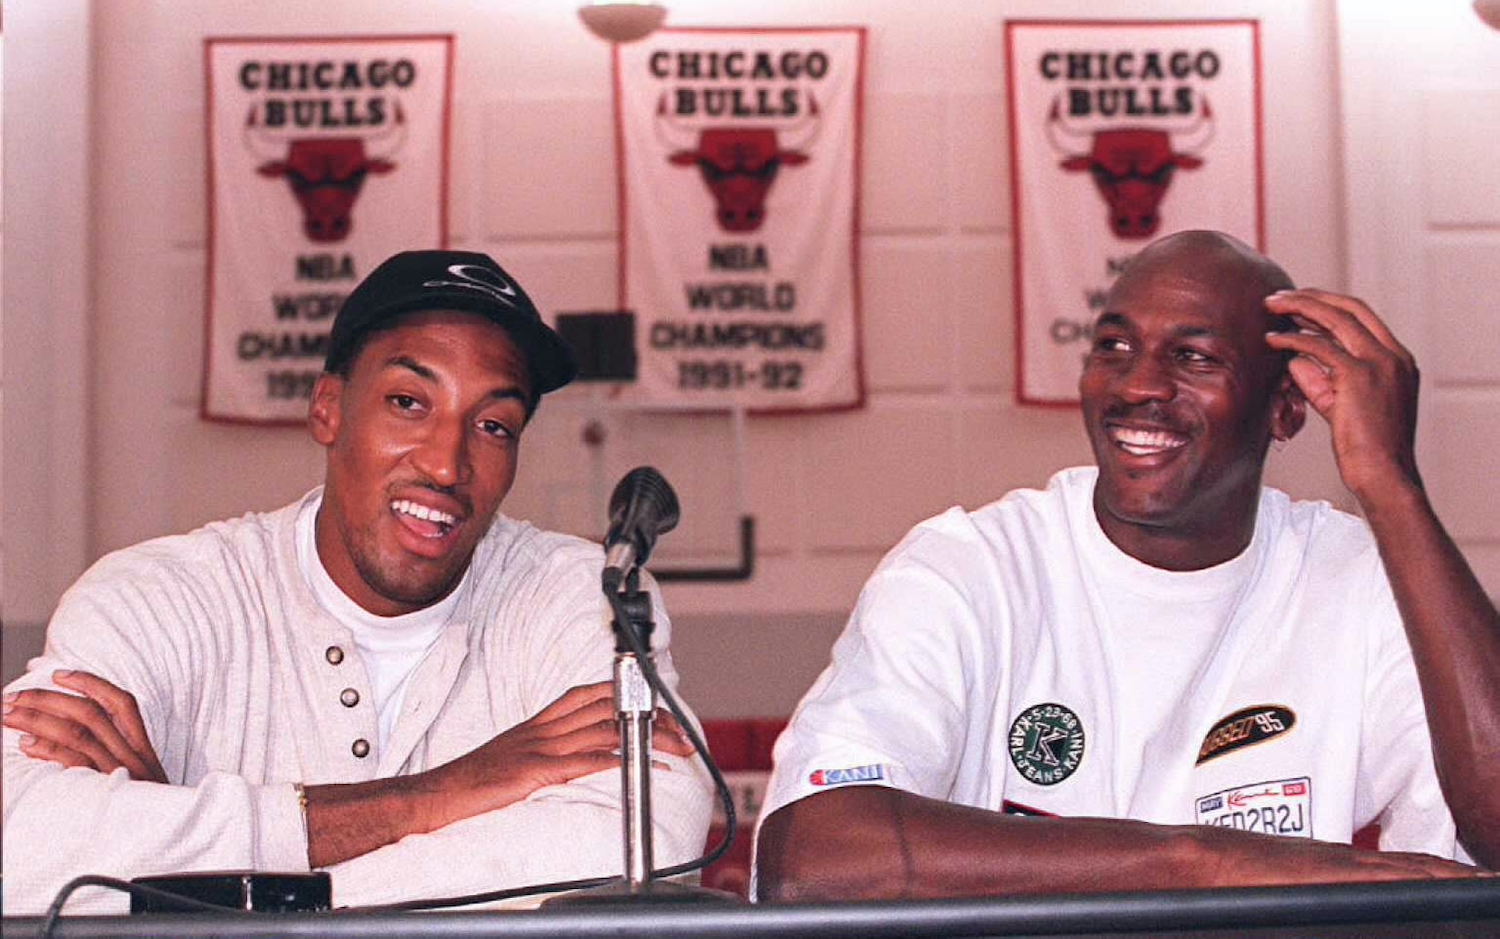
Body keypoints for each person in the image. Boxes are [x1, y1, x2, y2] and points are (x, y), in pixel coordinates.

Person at [754, 230, 1500, 900]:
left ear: (1285, 409)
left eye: (1193, 357)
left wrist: (1392, 486)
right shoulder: (969, 568)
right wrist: (1201, 864)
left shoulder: (1360, 580)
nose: (1138, 385)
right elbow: (811, 857)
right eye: (1113, 346)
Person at [2, 250, 713, 913]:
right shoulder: (159, 597)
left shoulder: (582, 597)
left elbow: (644, 842)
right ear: (329, 409)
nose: (446, 464)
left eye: (494, 424)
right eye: (409, 402)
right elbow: (21, 840)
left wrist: (206, 897)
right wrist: (427, 798)